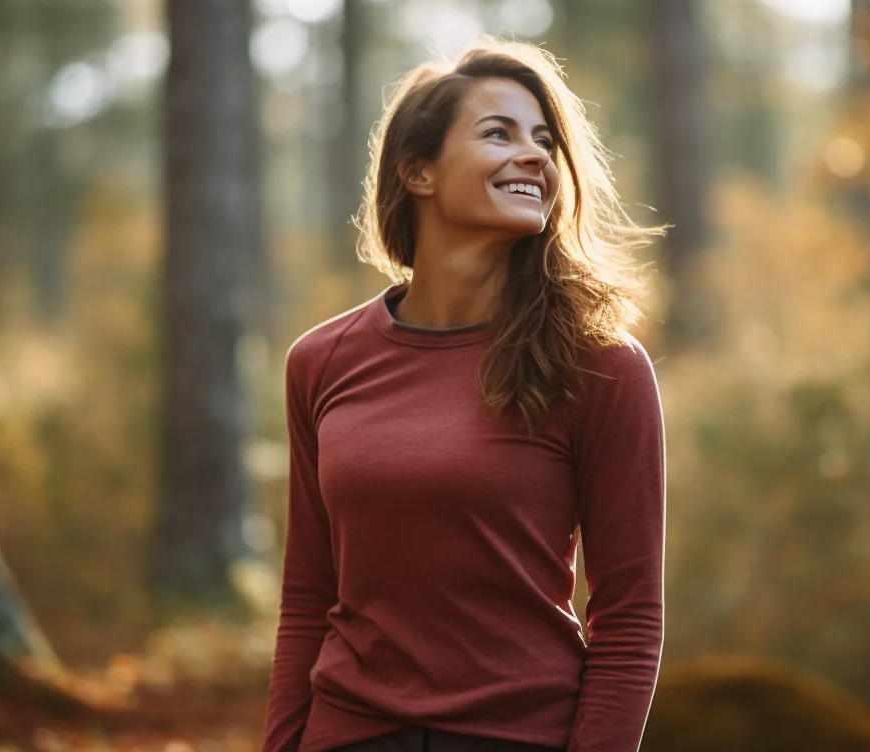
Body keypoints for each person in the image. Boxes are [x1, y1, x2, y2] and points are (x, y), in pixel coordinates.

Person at [260, 37, 667, 752]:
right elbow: (308, 600)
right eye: (498, 133)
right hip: (348, 733)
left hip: (517, 736)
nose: (536, 156)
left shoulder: (600, 366)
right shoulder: (319, 363)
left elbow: (629, 616)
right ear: (418, 170)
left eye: (544, 140)